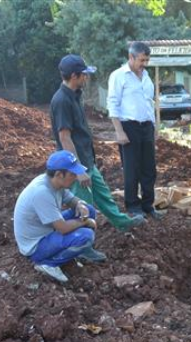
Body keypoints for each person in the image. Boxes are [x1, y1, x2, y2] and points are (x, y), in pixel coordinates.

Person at [50, 54, 144, 230]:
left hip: (87, 160)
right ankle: (84, 246)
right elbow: (65, 137)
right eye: (84, 74)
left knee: (103, 196)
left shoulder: (75, 95)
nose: (86, 77)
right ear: (73, 76)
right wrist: (77, 169)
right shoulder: (62, 101)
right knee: (84, 207)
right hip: (75, 166)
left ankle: (123, 223)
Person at [14, 150, 107, 283]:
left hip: (47, 230)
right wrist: (85, 221)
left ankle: (82, 252)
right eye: (72, 174)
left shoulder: (55, 182)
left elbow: (71, 199)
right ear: (59, 174)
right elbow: (62, 228)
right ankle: (48, 263)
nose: (75, 177)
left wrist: (80, 205)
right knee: (85, 236)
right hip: (36, 246)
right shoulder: (42, 192)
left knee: (89, 210)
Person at [107, 41, 163, 220]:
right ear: (131, 57)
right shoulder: (118, 76)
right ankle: (133, 207)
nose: (144, 64)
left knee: (149, 169)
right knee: (132, 169)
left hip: (146, 127)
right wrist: (119, 131)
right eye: (141, 60)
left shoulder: (146, 76)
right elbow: (112, 103)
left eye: (147, 60)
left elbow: (150, 103)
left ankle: (148, 206)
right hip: (128, 127)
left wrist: (154, 126)